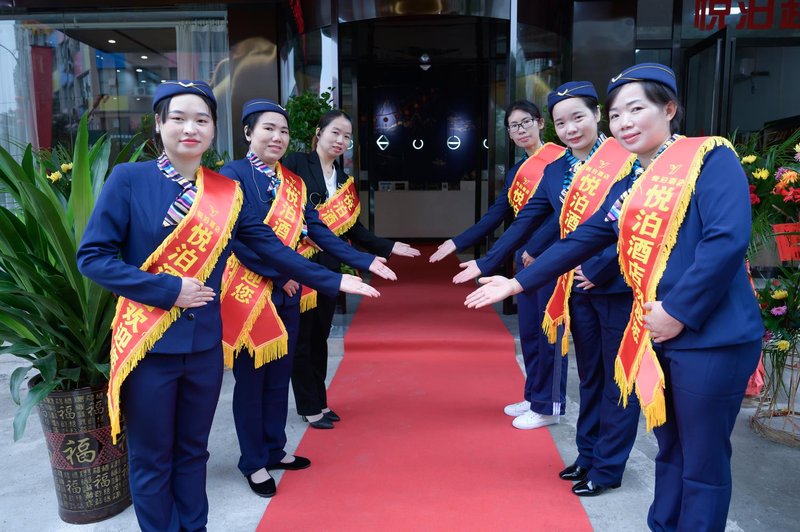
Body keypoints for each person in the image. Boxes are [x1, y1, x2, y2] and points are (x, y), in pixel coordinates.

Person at [465, 64, 762, 530]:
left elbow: (725, 241)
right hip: (657, 334)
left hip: (712, 337)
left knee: (703, 462)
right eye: (618, 113)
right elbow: (581, 239)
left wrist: (678, 312)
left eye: (637, 109)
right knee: (671, 450)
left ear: (669, 109)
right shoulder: (632, 182)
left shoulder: (709, 158)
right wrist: (516, 283)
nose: (624, 122)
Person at [76, 81, 379, 531]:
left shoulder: (225, 190)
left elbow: (270, 246)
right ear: (159, 124)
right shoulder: (130, 180)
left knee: (193, 451)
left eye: (201, 119)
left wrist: (333, 277)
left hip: (202, 345)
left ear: (214, 130)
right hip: (149, 343)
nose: (190, 128)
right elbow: (93, 258)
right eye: (178, 118)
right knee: (152, 456)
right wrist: (167, 289)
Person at [455, 83, 641, 493]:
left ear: (597, 116)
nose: (571, 128)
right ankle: (587, 455)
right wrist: (485, 262)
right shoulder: (556, 171)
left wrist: (604, 268)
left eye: (578, 117)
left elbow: (634, 226)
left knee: (618, 381)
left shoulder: (627, 160)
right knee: (589, 375)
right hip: (575, 286)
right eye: (562, 122)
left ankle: (609, 467)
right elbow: (528, 220)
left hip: (615, 287)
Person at [220, 98, 397, 497]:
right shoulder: (230, 176)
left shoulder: (293, 183)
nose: (277, 137)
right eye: (268, 129)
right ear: (248, 133)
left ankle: (274, 448)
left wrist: (365, 259)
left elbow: (318, 232)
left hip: (291, 289)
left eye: (283, 131)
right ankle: (253, 461)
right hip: (252, 294)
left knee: (279, 375)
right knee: (252, 382)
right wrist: (280, 273)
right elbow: (236, 238)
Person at [430, 100, 564, 429]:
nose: (520, 131)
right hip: (525, 258)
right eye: (513, 126)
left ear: (540, 123)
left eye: (525, 123)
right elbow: (498, 214)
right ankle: (535, 396)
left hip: (551, 257)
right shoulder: (519, 170)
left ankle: (549, 405)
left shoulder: (561, 160)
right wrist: (458, 241)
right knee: (530, 331)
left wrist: (534, 247)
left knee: (549, 335)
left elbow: (561, 214)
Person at [283, 110, 421, 429]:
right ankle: (308, 405)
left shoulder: (344, 181)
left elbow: (353, 229)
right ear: (318, 132)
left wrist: (387, 247)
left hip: (330, 269)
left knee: (319, 335)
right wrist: (305, 233)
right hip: (298, 264)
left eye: (346, 136)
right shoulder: (295, 164)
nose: (341, 141)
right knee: (302, 339)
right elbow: (281, 209)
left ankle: (319, 399)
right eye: (335, 132)